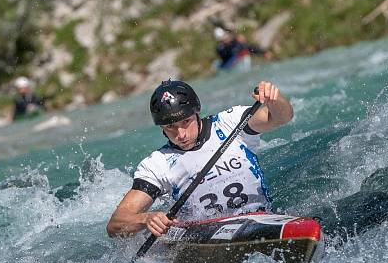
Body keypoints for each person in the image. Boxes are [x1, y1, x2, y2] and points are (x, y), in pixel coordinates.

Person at [106, 79, 293, 238]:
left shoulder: (231, 123)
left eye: (185, 122)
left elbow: (282, 117)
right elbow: (115, 224)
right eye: (170, 126)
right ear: (161, 128)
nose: (180, 134)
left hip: (262, 219)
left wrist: (274, 99)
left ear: (197, 113)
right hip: (208, 233)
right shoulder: (157, 164)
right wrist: (146, 219)